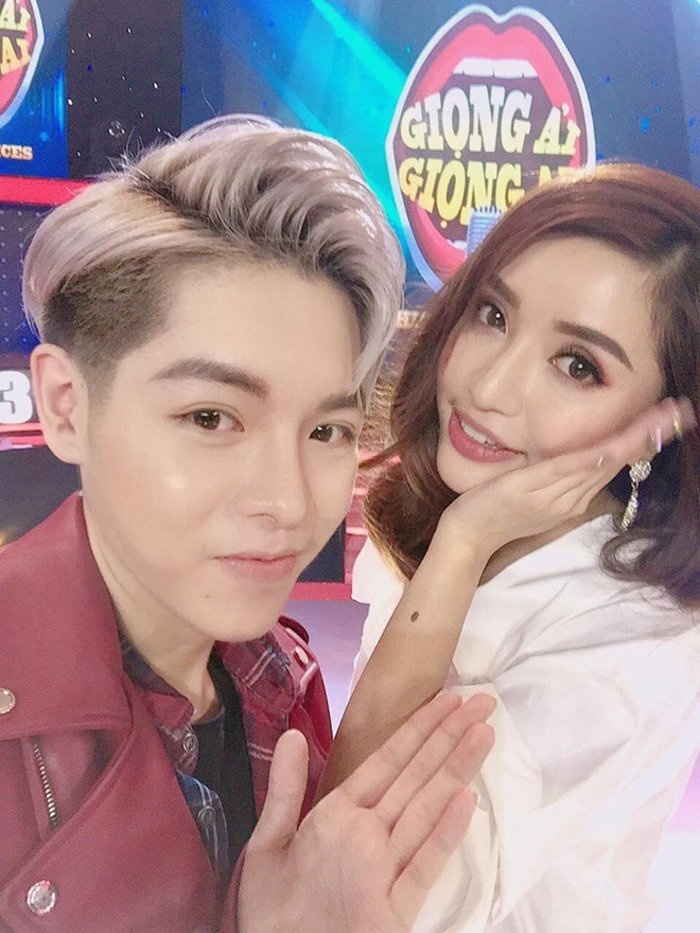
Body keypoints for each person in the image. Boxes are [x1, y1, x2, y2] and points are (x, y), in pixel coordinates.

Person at [0, 116, 498, 932]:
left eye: (326, 430)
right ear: (65, 406)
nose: (291, 501)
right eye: (210, 417)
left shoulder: (281, 679)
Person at [320, 163, 700, 931]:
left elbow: (362, 889)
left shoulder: (632, 647)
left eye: (578, 365)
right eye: (492, 314)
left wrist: (462, 547)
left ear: (659, 426)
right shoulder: (454, 506)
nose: (489, 387)